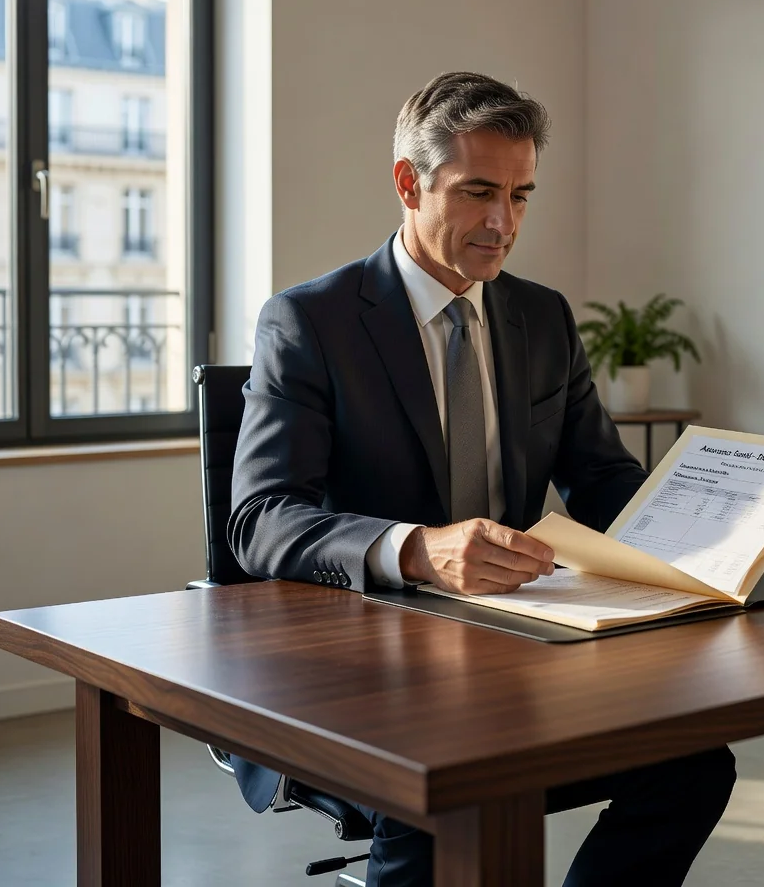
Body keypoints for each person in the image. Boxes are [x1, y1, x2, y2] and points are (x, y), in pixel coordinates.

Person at [228, 71, 736, 885]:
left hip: (523, 644)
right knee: (449, 796)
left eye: (522, 195)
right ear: (408, 183)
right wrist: (418, 550)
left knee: (693, 765)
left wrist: (715, 528)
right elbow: (261, 519)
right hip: (374, 659)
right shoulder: (311, 321)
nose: (503, 224)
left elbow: (602, 477)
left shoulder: (541, 316)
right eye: (477, 192)